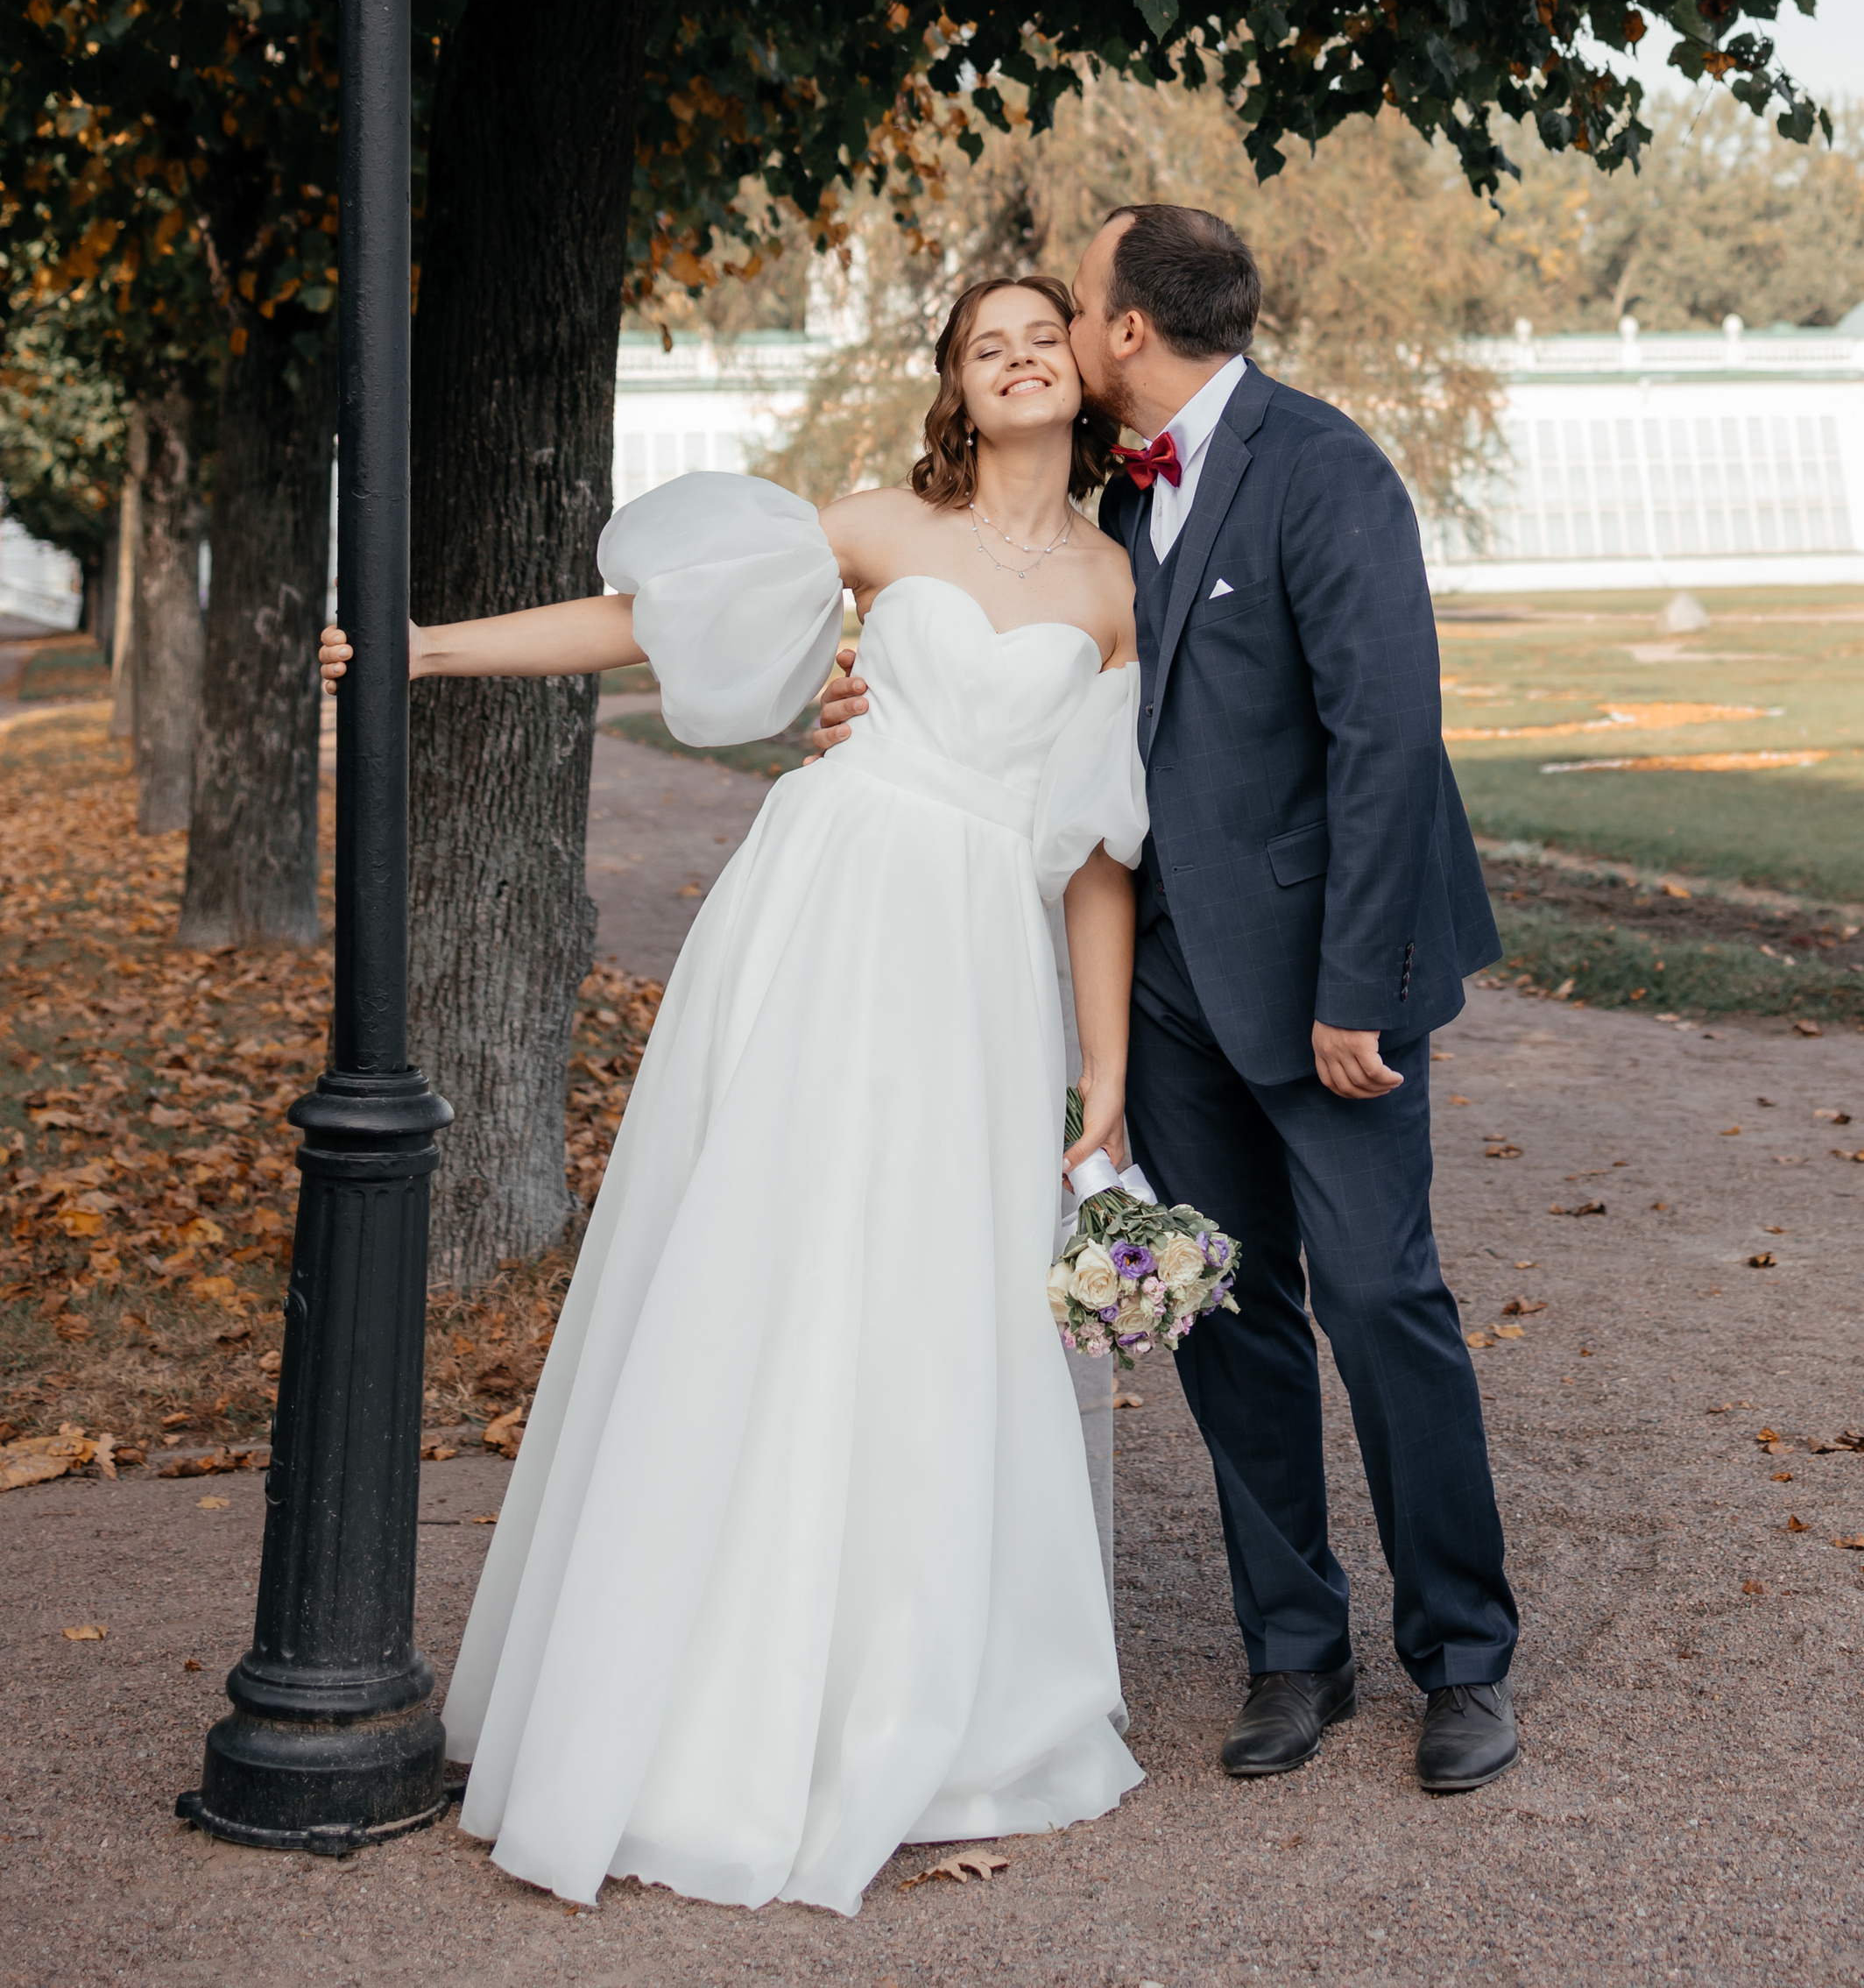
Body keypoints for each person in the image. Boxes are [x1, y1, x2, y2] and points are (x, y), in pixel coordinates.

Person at [317, 275, 1147, 1915]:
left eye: (1041, 335)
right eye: (985, 345)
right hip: (829, 907)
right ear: (956, 389)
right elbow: (652, 619)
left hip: (983, 963)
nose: (1018, 357)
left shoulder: (1120, 585)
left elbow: (1102, 846)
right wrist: (429, 650)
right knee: (772, 1255)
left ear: (1085, 371)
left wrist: (1103, 1066)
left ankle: (917, 1681)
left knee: (935, 1296)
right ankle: (695, 1692)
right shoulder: (881, 528)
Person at [817, 205, 1520, 1793]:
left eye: (1075, 305)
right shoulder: (1116, 502)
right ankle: (1294, 1651)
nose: (1062, 330)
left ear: (1127, 330)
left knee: (1380, 1301)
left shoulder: (1325, 469)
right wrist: (853, 694)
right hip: (1173, 983)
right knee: (1225, 1318)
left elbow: (1389, 740)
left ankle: (1464, 1657)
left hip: (1329, 989)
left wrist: (1360, 990)